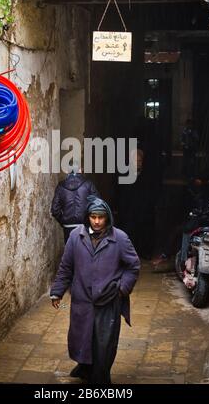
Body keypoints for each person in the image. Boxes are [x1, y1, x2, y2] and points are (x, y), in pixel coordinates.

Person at [50, 195, 140, 385]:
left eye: (101, 217)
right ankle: (85, 368)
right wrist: (57, 290)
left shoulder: (120, 239)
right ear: (87, 217)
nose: (97, 221)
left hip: (109, 300)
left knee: (104, 344)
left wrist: (122, 289)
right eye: (93, 217)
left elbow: (133, 266)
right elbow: (66, 266)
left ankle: (101, 380)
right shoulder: (76, 236)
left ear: (107, 217)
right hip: (82, 299)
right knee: (82, 337)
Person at [51, 163, 99, 243]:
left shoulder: (60, 186)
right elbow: (98, 204)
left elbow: (55, 209)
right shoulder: (88, 184)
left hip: (68, 227)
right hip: (85, 225)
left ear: (67, 171)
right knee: (85, 251)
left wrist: (63, 221)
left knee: (71, 252)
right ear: (80, 170)